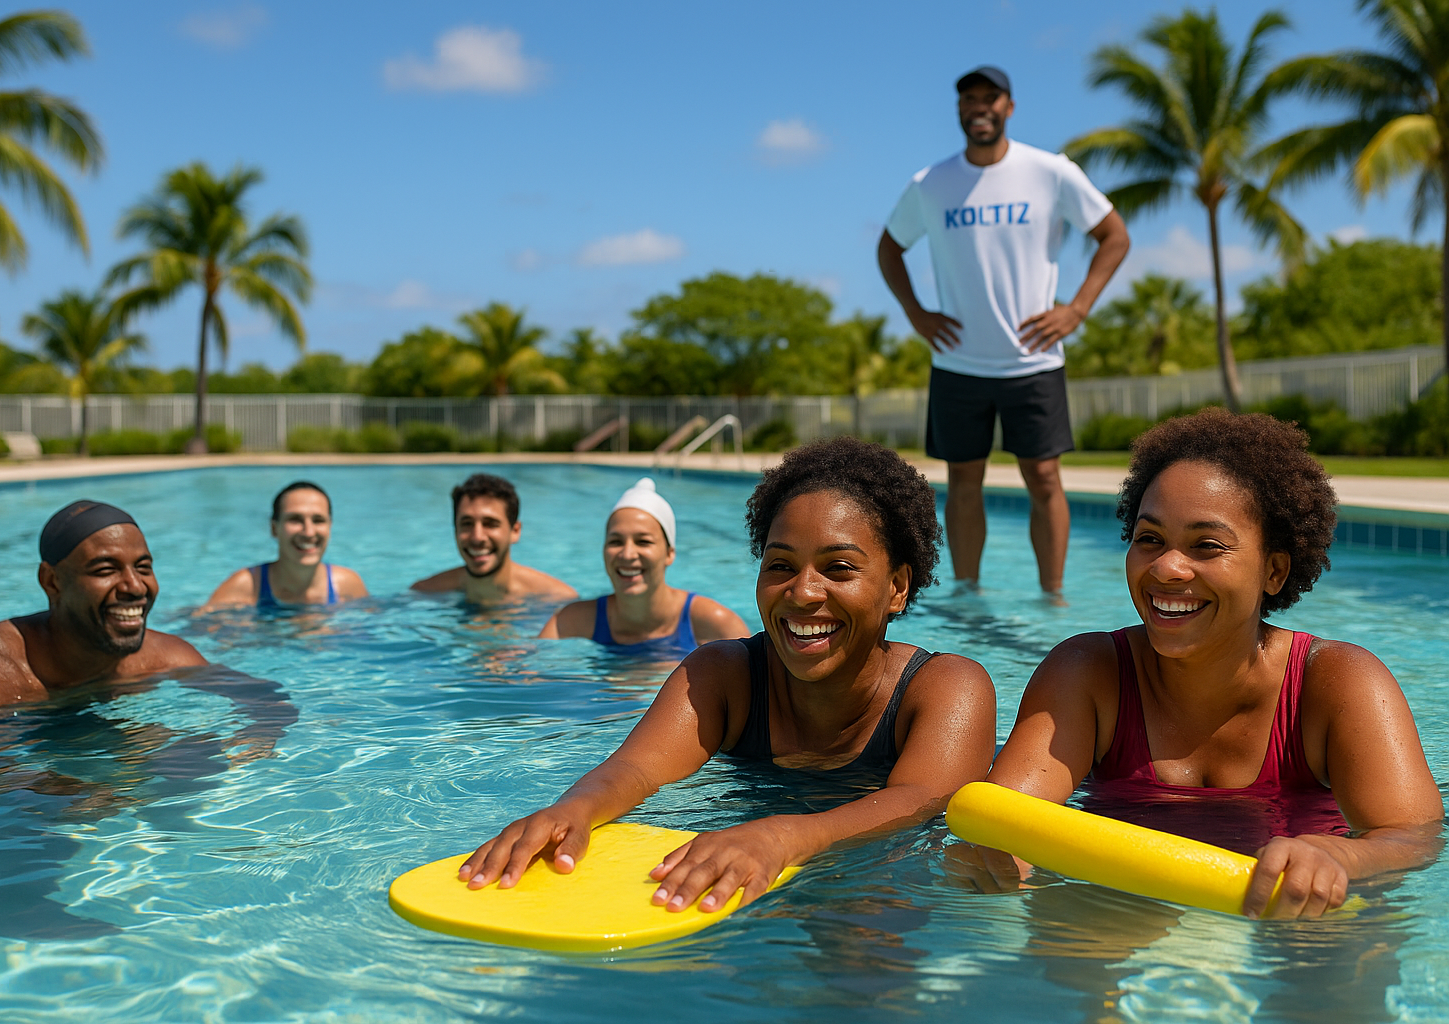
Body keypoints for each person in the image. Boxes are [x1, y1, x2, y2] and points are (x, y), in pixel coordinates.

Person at [465, 439, 996, 912]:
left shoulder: (945, 688)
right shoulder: (724, 675)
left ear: (898, 587)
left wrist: (783, 836)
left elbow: (923, 797)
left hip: (882, 873)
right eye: (780, 565)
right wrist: (571, 810)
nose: (803, 592)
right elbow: (634, 770)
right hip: (743, 853)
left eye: (839, 568)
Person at [980, 409, 1442, 918]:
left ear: (1274, 570)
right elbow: (1007, 820)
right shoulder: (1088, 673)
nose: (1167, 568)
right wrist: (999, 859)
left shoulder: (1337, 683)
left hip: (1293, 914)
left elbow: (1412, 838)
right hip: (1125, 907)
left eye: (1207, 546)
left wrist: (1338, 854)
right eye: (1149, 539)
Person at [878, 64, 1130, 597]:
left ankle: (1053, 598)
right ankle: (968, 594)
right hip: (958, 362)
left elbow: (1114, 235)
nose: (979, 108)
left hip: (1033, 360)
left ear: (1009, 107)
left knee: (1044, 480)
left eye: (990, 98)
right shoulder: (931, 184)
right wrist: (917, 314)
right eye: (968, 99)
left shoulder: (1050, 171)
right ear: (959, 111)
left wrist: (1077, 309)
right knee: (964, 484)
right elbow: (889, 248)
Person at [0, 500, 209, 714]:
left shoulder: (168, 657)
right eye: (106, 569)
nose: (135, 587)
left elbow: (252, 704)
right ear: (52, 581)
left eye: (143, 568)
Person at [539, 477, 749, 655]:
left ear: (669, 553)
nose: (627, 554)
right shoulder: (570, 622)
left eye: (643, 542)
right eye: (615, 542)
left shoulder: (716, 626)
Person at [411, 473, 578, 605]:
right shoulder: (425, 592)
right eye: (467, 524)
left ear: (515, 531)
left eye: (490, 524)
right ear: (455, 530)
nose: (477, 537)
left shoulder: (557, 599)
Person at [203, 481, 367, 610]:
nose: (309, 532)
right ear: (274, 528)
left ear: (329, 527)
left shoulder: (347, 585)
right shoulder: (246, 586)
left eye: (318, 520)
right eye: (295, 519)